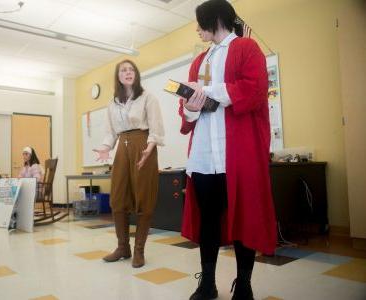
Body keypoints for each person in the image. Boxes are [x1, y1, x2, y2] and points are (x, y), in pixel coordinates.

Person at [178, 1, 277, 299]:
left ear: (215, 19)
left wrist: (207, 92)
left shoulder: (247, 48)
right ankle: (207, 282)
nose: (197, 29)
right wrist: (192, 108)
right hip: (205, 155)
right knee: (208, 220)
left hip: (238, 152)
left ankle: (243, 285)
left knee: (244, 217)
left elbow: (255, 90)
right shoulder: (198, 61)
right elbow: (187, 115)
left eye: (199, 23)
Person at [94, 59, 164, 268]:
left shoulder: (147, 97)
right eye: (123, 70)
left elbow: (156, 127)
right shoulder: (113, 102)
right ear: (118, 76)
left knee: (143, 196)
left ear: (136, 74)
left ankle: (139, 250)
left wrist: (149, 148)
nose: (128, 72)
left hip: (144, 145)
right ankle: (122, 247)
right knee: (117, 197)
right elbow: (110, 132)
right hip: (122, 149)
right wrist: (106, 147)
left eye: (131, 69)